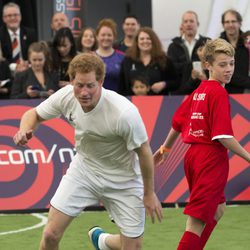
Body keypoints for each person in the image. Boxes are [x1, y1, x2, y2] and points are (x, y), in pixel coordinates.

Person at [13, 53, 163, 250]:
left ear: (100, 82)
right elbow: (33, 114)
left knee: (132, 247)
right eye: (79, 85)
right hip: (85, 171)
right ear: (71, 80)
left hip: (124, 179)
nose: (84, 92)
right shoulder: (66, 95)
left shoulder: (124, 113)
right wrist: (24, 129)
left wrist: (149, 193)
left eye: (90, 85)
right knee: (50, 234)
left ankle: (103, 241)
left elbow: (143, 151)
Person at [154, 38, 250, 250]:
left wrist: (166, 148)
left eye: (231, 63)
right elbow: (223, 137)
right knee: (196, 222)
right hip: (210, 160)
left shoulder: (200, 90)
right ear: (207, 65)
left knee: (218, 208)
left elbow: (178, 123)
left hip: (194, 158)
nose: (229, 69)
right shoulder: (218, 92)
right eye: (222, 64)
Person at [119, 26, 178, 96]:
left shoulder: (164, 60)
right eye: (142, 39)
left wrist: (164, 84)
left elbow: (176, 82)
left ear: (154, 41)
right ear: (137, 42)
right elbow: (121, 87)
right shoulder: (128, 60)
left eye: (148, 38)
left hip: (159, 104)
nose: (145, 41)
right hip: (132, 103)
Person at [167, 10, 210, 94]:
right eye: (185, 21)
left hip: (203, 91)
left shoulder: (207, 43)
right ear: (182, 25)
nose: (188, 24)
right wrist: (193, 66)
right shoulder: (173, 46)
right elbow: (172, 69)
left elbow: (213, 66)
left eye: (191, 21)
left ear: (198, 24)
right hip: (180, 93)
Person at [0, 2, 37, 73]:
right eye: (9, 15)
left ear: (20, 17)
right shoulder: (1, 34)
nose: (13, 18)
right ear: (4, 19)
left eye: (15, 15)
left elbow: (34, 53)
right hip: (6, 72)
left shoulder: (30, 33)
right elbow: (1, 59)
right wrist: (15, 66)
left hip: (27, 71)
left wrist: (27, 63)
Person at [220, 9, 250, 93]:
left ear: (239, 23)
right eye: (227, 22)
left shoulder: (248, 42)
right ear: (223, 24)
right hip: (225, 93)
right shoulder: (218, 45)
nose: (230, 25)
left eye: (233, 21)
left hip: (247, 93)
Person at [95, 18, 125, 92]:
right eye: (103, 35)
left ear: (114, 37)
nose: (106, 38)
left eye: (109, 35)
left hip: (117, 100)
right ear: (97, 36)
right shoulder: (89, 57)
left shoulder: (122, 57)